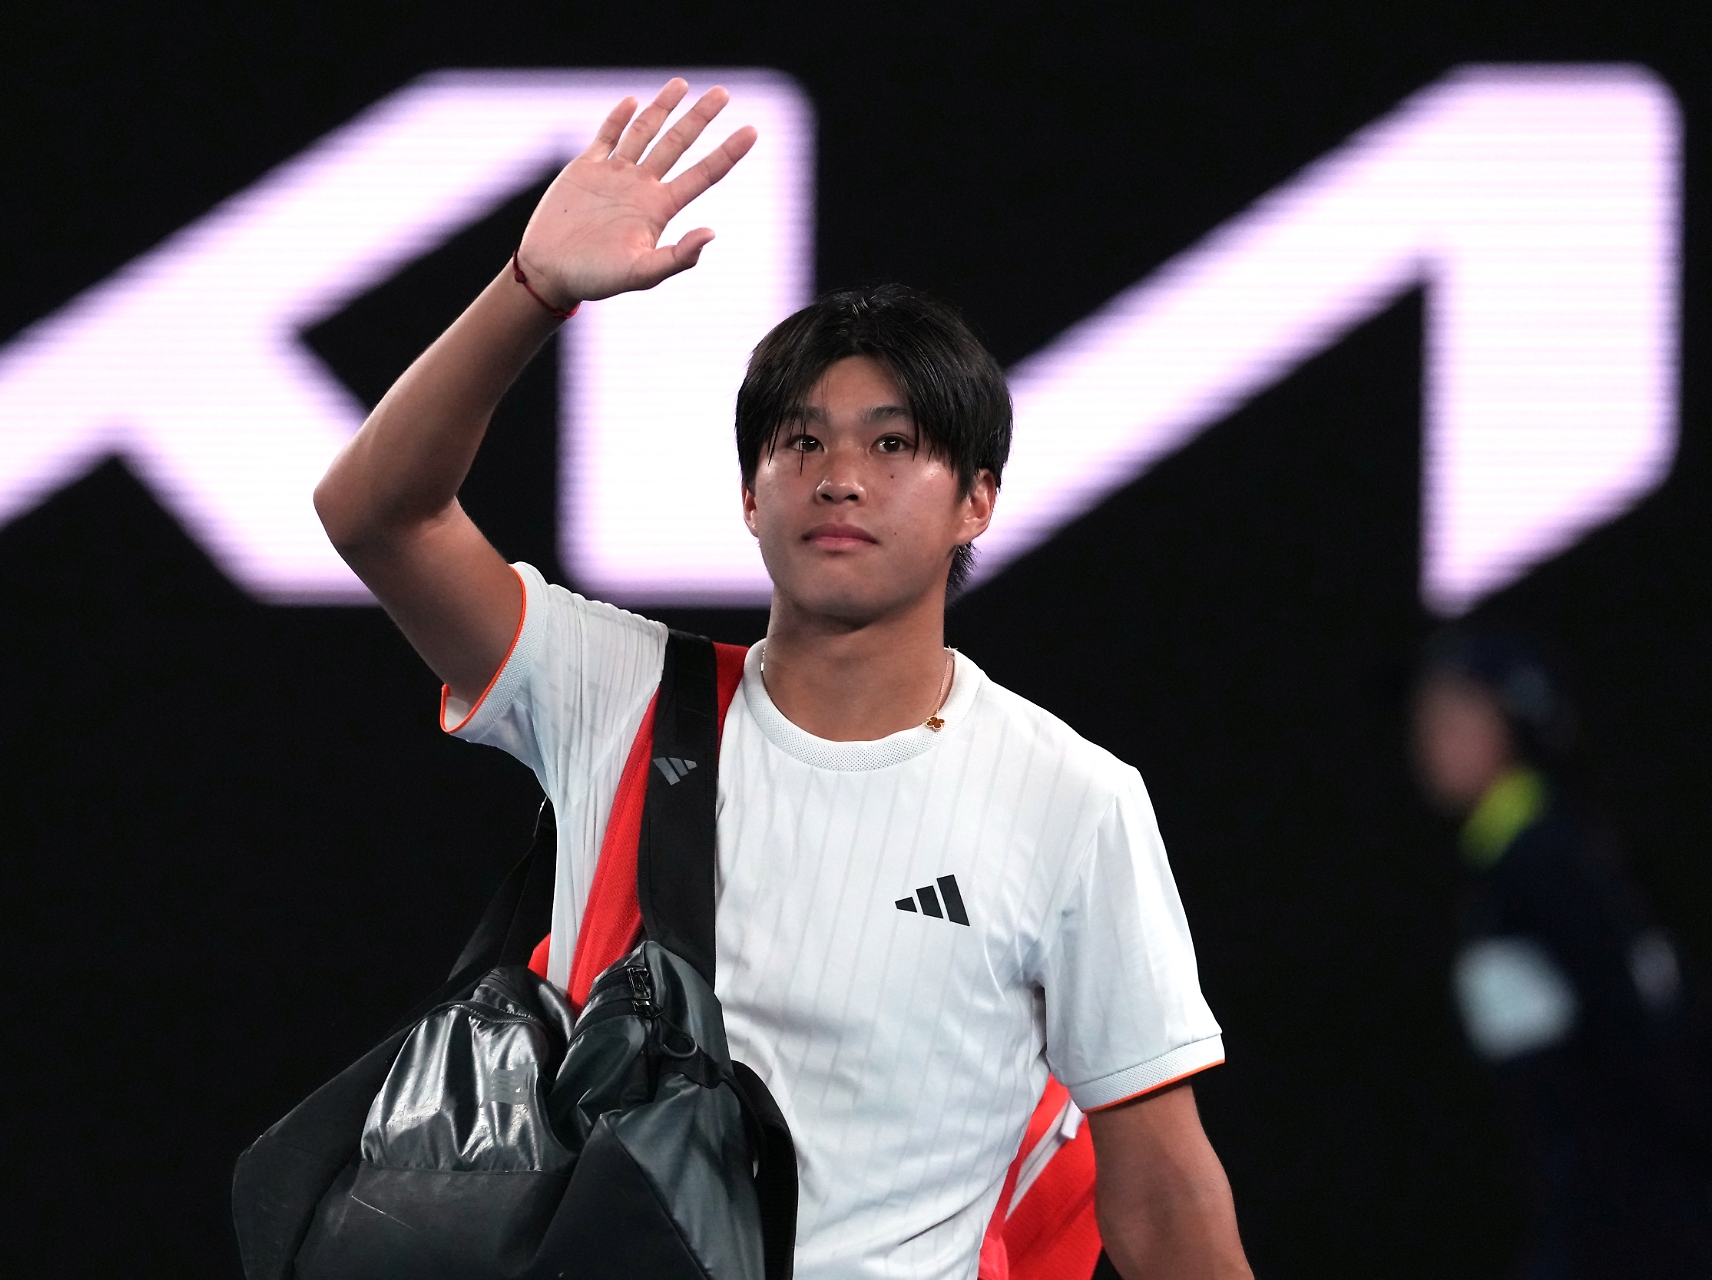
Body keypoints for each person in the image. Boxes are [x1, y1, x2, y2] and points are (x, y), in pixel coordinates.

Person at [313, 78, 1252, 1280]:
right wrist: (529, 290)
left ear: (977, 500)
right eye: (800, 440)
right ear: (750, 495)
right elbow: (377, 514)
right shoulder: (614, 691)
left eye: (893, 442)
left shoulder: (1076, 800)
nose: (839, 475)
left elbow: (1163, 1199)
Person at [1411, 630, 1712, 1280]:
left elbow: (1647, 1031)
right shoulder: (1502, 863)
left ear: (1511, 721)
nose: (1429, 741)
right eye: (1426, 721)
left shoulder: (1548, 861)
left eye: (1453, 718)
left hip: (1637, 1223)